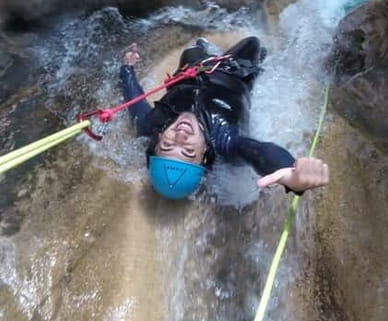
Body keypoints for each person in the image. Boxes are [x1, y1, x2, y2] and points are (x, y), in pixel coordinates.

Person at [119, 36, 329, 200]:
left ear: (156, 144)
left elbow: (134, 100)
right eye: (188, 150)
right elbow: (258, 152)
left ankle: (202, 48)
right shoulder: (225, 141)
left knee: (191, 51)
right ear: (204, 155)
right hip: (234, 72)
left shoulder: (151, 125)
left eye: (167, 146)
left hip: (191, 72)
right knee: (253, 43)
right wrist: (290, 173)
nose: (180, 136)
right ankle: (259, 63)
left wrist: (127, 68)